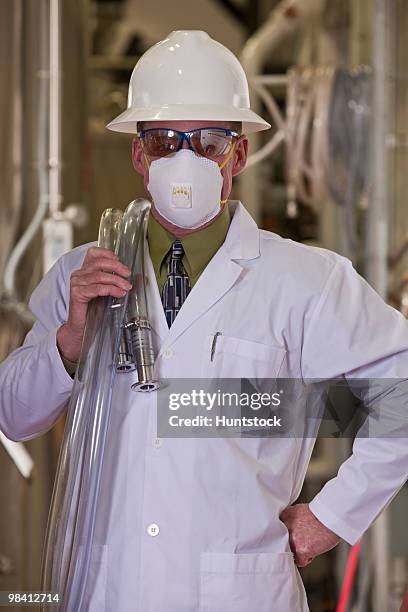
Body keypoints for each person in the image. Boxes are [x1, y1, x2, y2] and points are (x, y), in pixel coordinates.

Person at [1, 30, 408, 612]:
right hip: (107, 590)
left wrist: (332, 517)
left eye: (209, 140)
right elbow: (14, 417)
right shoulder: (82, 275)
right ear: (139, 155)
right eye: (164, 140)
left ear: (238, 156)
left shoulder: (307, 280)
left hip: (238, 595)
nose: (184, 159)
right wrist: (67, 345)